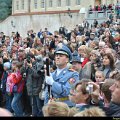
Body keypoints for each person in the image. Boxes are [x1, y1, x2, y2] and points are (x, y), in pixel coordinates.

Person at [44, 43, 79, 107]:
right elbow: (47, 93)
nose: (57, 57)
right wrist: (46, 107)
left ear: (67, 60)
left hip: (66, 107)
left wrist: (53, 83)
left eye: (61, 55)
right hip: (53, 107)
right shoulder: (52, 74)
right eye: (56, 55)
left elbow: (67, 91)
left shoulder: (73, 74)